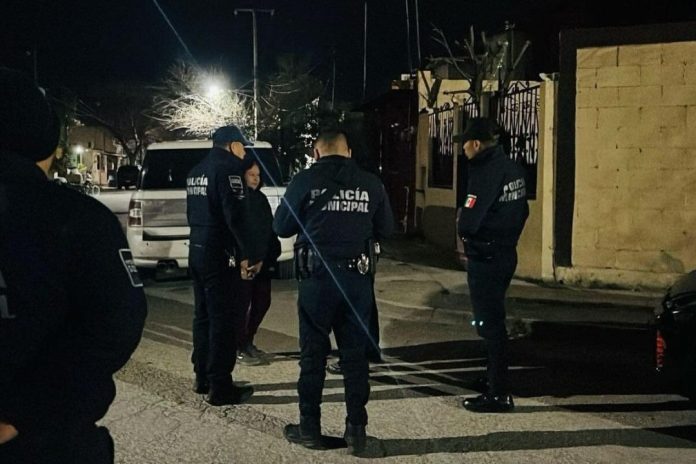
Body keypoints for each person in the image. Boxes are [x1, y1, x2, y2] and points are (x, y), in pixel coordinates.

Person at [0, 67, 147, 463]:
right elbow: (116, 325)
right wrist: (23, 411)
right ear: (45, 140)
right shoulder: (77, 218)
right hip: (51, 438)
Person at [274, 129, 394, 455]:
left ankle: (309, 428)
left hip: (316, 280)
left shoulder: (304, 181)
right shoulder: (371, 183)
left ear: (316, 152)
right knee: (355, 358)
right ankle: (357, 432)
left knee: (313, 355)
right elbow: (387, 228)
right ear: (348, 152)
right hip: (356, 279)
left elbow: (281, 226)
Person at [453, 117, 529, 413]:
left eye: (464, 144)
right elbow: (523, 211)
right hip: (505, 253)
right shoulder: (512, 167)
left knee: (490, 324)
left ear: (476, 144)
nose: (462, 150)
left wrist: (465, 232)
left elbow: (469, 221)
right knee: (492, 320)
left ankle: (498, 393)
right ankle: (493, 378)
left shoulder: (486, 171)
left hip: (486, 256)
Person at [186, 124, 261, 406]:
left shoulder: (196, 171)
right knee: (224, 320)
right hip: (220, 253)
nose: (244, 153)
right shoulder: (228, 170)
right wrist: (248, 253)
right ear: (232, 145)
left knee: (202, 316)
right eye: (243, 147)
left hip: (197, 248)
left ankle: (202, 376)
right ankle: (220, 386)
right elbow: (235, 216)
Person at [235, 161, 281, 365]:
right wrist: (244, 258)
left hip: (262, 261)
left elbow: (268, 230)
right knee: (242, 305)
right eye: (251, 174)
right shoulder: (237, 199)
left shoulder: (260, 199)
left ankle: (248, 341)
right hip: (245, 262)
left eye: (258, 175)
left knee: (262, 302)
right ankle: (239, 346)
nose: (255, 178)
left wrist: (266, 258)